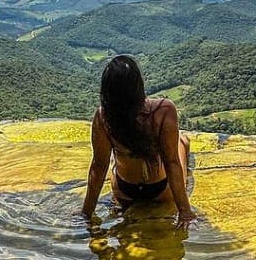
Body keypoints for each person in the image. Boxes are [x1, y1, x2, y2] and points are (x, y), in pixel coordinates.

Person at [82, 55, 196, 229]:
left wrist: (86, 213)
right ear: (138, 85)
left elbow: (98, 167)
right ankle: (183, 141)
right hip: (162, 191)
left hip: (125, 192)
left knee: (114, 161)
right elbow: (171, 162)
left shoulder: (103, 117)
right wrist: (185, 211)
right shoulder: (164, 109)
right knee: (182, 142)